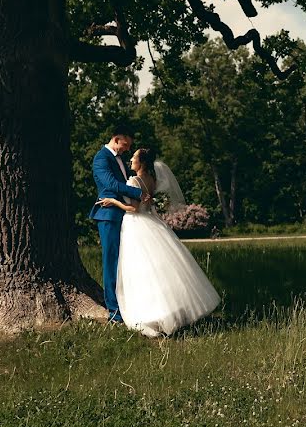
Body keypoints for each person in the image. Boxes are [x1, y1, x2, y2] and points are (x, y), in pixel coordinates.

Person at [99, 148, 220, 337]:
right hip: (151, 223)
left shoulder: (133, 181)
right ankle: (172, 310)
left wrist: (112, 202)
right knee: (159, 269)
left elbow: (132, 208)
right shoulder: (151, 180)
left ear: (142, 162)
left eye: (134, 157)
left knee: (141, 271)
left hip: (136, 224)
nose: (131, 159)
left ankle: (151, 313)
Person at [90, 125, 145, 323]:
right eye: (125, 144)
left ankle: (128, 303)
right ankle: (114, 312)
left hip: (125, 215)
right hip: (108, 216)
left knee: (126, 262)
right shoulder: (101, 158)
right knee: (111, 262)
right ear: (116, 138)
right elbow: (111, 184)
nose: (127, 149)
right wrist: (139, 193)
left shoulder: (120, 159)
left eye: (130, 146)